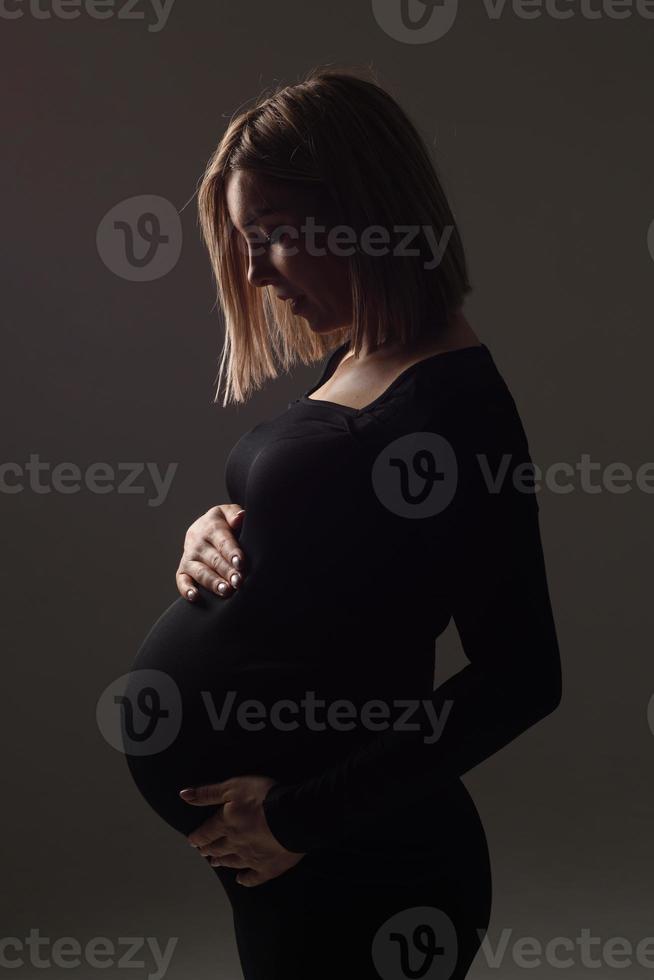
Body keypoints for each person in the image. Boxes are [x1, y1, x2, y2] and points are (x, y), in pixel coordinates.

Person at [124, 65, 562, 979]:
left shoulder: (457, 409)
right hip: (289, 863)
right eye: (245, 244)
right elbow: (331, 544)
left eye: (274, 237)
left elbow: (524, 676)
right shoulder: (366, 360)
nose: (253, 273)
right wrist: (215, 529)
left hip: (365, 863)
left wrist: (297, 819)